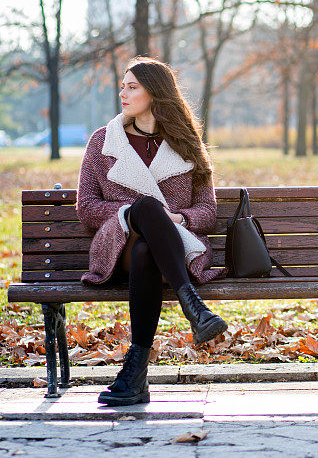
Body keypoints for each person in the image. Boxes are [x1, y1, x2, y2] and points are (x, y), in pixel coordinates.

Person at [76, 57, 227, 406]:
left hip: (172, 248)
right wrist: (134, 214)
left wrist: (176, 220)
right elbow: (86, 207)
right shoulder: (104, 142)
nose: (123, 93)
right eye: (123, 85)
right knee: (145, 208)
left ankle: (135, 373)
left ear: (155, 93)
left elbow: (207, 212)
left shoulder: (186, 143)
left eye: (132, 87)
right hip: (118, 245)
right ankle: (195, 308)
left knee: (148, 246)